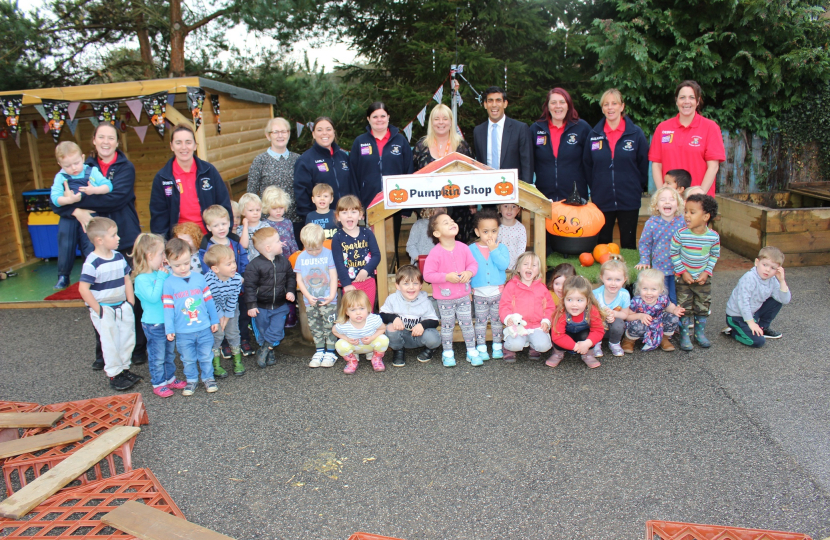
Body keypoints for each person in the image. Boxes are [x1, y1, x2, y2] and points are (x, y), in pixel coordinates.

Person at [50, 123, 144, 369]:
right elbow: (56, 203)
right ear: (93, 141)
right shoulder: (79, 167)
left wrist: (78, 204)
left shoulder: (125, 167)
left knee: (129, 293)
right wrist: (76, 209)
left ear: (116, 141)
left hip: (123, 237)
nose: (105, 141)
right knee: (98, 296)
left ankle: (136, 348)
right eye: (101, 137)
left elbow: (118, 197)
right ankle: (103, 351)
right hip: (94, 241)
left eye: (110, 137)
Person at [583, 89, 649, 249]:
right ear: (602, 108)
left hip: (629, 198)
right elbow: (587, 165)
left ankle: (629, 273)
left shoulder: (636, 134)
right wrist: (597, 188)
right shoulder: (594, 135)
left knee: (628, 243)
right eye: (606, 104)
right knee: (602, 243)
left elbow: (643, 163)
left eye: (614, 103)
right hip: (602, 199)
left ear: (622, 106)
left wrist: (636, 187)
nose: (610, 108)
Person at [77, 217, 138, 391]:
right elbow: (83, 289)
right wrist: (99, 310)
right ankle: (114, 374)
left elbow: (126, 279)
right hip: (105, 309)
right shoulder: (92, 262)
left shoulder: (118, 257)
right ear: (100, 240)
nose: (118, 238)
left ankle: (124, 369)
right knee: (110, 342)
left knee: (126, 338)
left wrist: (130, 301)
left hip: (122, 306)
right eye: (114, 235)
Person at [150, 125, 232, 238]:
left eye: (188, 142)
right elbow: (158, 216)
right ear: (171, 146)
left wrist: (227, 235)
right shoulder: (162, 177)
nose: (184, 147)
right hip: (180, 241)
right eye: (178, 143)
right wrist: (164, 244)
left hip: (211, 237)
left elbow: (224, 204)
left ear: (195, 145)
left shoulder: (209, 171)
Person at [50, 141, 112, 289]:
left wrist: (94, 190)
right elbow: (54, 199)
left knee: (91, 244)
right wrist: (68, 200)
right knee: (66, 243)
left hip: (90, 215)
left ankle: (95, 274)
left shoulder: (92, 172)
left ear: (82, 158)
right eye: (67, 166)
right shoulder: (60, 177)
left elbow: (108, 186)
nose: (73, 168)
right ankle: (63, 275)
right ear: (60, 164)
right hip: (69, 217)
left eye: (76, 163)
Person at [162, 238, 220, 396]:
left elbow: (209, 301)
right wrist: (169, 329)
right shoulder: (168, 283)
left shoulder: (199, 278)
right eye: (177, 265)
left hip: (203, 327)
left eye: (186, 263)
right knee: (187, 358)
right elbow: (167, 308)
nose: (182, 268)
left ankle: (208, 378)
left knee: (206, 355)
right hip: (183, 331)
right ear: (167, 262)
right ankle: (192, 380)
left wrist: (214, 320)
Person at [132, 233, 186, 398]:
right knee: (157, 355)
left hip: (167, 322)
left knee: (169, 353)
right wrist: (163, 277)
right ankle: (158, 382)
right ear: (149, 256)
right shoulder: (142, 279)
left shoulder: (159, 273)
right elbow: (154, 297)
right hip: (154, 324)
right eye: (161, 254)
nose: (164, 257)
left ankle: (170, 378)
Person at [650, 80, 726, 197]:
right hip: (671, 202)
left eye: (691, 97)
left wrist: (700, 195)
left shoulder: (710, 128)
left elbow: (713, 166)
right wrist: (663, 194)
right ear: (676, 100)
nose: (687, 101)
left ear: (698, 101)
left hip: (698, 203)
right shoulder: (663, 128)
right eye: (682, 97)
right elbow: (656, 165)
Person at [423, 212, 480, 367]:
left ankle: (471, 351)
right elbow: (427, 275)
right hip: (444, 298)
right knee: (447, 326)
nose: (451, 223)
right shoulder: (435, 253)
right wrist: (446, 277)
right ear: (437, 233)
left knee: (467, 324)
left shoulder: (463, 248)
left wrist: (469, 273)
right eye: (445, 222)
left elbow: (473, 265)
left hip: (464, 296)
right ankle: (447, 353)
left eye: (452, 220)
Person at [671, 194, 721, 351]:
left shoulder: (713, 237)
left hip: (702, 279)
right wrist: (682, 272)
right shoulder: (681, 234)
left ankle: (699, 334)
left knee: (702, 305)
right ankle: (685, 335)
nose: (686, 215)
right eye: (686, 211)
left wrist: (707, 272)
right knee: (684, 306)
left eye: (692, 212)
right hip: (683, 279)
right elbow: (674, 254)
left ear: (706, 216)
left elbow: (714, 255)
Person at [244, 227, 296, 368]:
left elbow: (291, 277)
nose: (282, 243)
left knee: (277, 329)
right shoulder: (254, 266)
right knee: (263, 330)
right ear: (268, 247)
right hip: (261, 306)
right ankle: (268, 351)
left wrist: (290, 291)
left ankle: (265, 348)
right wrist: (251, 305)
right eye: (278, 241)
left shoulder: (284, 262)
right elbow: (249, 287)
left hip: (280, 305)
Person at [247, 117, 302, 246]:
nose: (280, 135)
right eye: (276, 132)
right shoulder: (260, 161)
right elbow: (251, 193)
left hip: (295, 220)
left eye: (284, 131)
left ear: (288, 134)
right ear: (268, 136)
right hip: (268, 223)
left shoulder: (298, 159)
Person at [530, 87, 591, 202]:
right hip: (544, 198)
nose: (558, 106)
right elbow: (528, 163)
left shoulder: (582, 128)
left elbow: (590, 162)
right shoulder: (535, 129)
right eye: (553, 102)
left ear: (568, 105)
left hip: (575, 198)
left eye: (562, 102)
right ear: (548, 106)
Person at [350, 101, 413, 211]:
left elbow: (409, 172)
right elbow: (353, 175)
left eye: (383, 116)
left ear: (388, 117)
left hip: (396, 200)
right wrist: (356, 202)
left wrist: (407, 208)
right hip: (368, 201)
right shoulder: (359, 142)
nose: (379, 120)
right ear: (368, 119)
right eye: (375, 117)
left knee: (393, 229)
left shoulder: (400, 141)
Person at [723, 246, 791, 347]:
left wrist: (782, 281)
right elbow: (743, 302)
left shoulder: (772, 280)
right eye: (765, 265)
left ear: (777, 270)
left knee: (777, 299)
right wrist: (751, 323)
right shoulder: (749, 278)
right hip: (737, 316)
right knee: (758, 342)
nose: (767, 270)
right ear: (757, 262)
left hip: (753, 312)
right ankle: (733, 332)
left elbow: (784, 300)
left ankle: (762, 328)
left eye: (773, 268)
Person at [294, 224, 339, 368]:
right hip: (310, 300)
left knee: (329, 324)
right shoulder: (301, 257)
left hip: (328, 298)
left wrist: (332, 295)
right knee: (315, 325)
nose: (313, 252)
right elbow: (299, 279)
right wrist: (307, 296)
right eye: (309, 249)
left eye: (317, 248)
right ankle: (319, 350)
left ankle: (331, 352)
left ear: (322, 242)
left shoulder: (328, 254)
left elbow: (333, 276)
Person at [380, 265, 442, 367]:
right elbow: (382, 314)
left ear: (421, 285)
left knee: (433, 337)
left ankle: (430, 348)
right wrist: (394, 318)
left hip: (418, 336)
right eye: (406, 283)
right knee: (390, 327)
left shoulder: (425, 302)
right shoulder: (392, 299)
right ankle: (398, 350)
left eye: (415, 283)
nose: (411, 287)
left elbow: (434, 321)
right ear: (398, 286)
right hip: (401, 336)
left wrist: (422, 325)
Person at [294, 117, 353, 223]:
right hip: (321, 221)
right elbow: (301, 195)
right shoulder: (305, 160)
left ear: (334, 132)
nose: (324, 133)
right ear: (313, 134)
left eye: (328, 129)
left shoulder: (343, 157)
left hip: (347, 218)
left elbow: (353, 186)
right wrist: (310, 219)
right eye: (319, 130)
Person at [468, 209, 509, 361]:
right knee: (480, 321)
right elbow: (467, 270)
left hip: (497, 292)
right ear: (477, 232)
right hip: (478, 293)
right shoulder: (470, 249)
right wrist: (468, 289)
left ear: (499, 231)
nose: (490, 235)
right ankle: (481, 347)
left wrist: (494, 250)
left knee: (497, 321)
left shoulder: (501, 248)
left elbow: (503, 265)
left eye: (494, 231)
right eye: (485, 231)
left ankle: (497, 346)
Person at [499, 251, 554, 362]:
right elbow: (504, 305)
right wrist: (507, 318)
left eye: (534, 265)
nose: (529, 267)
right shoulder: (511, 286)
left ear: (538, 270)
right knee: (515, 344)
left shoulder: (542, 288)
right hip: (517, 327)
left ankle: (533, 345)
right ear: (518, 268)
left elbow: (550, 307)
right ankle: (508, 347)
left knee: (544, 346)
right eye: (525, 264)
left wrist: (546, 321)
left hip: (536, 326)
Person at [635, 186, 686, 304]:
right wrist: (644, 260)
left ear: (677, 205)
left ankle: (675, 320)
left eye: (672, 199)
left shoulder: (682, 222)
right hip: (660, 268)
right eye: (663, 199)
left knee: (675, 297)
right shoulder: (652, 223)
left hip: (678, 268)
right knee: (661, 297)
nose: (667, 202)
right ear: (656, 205)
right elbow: (645, 243)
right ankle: (659, 319)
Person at [473, 86, 533, 182]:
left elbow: (527, 165)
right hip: (487, 188)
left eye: (498, 100)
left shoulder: (520, 129)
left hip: (514, 189)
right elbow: (480, 164)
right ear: (485, 104)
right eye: (490, 101)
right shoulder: (478, 131)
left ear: (505, 104)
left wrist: (526, 192)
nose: (494, 105)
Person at [331, 195, 381, 309]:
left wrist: (366, 271)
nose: (349, 215)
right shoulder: (337, 237)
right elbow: (339, 263)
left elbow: (376, 255)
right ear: (338, 217)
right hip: (350, 285)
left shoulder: (367, 233)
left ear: (360, 215)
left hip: (368, 281)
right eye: (344, 212)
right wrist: (347, 284)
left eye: (353, 212)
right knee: (353, 313)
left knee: (368, 312)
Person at [203, 244, 245, 379]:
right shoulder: (208, 280)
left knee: (233, 332)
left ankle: (237, 360)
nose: (233, 266)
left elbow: (233, 299)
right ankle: (215, 364)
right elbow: (211, 301)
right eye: (228, 264)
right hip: (212, 309)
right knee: (217, 334)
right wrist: (219, 316)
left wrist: (227, 317)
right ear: (215, 268)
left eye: (233, 261)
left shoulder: (237, 279)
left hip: (231, 308)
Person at [547, 275, 606, 369]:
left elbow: (598, 330)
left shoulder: (592, 310)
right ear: (564, 299)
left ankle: (588, 355)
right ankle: (558, 353)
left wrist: (587, 343)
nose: (574, 304)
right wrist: (575, 347)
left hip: (582, 336)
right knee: (557, 337)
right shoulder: (561, 312)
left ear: (587, 300)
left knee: (587, 335)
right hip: (566, 335)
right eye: (569, 299)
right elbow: (557, 335)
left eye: (579, 300)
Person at [622, 269, 685, 353]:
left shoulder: (663, 299)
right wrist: (640, 316)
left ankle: (664, 339)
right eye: (645, 288)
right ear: (639, 288)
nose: (649, 293)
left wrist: (675, 310)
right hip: (640, 326)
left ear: (661, 289)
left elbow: (669, 307)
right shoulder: (636, 301)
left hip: (657, 326)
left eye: (653, 289)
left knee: (673, 318)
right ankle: (629, 341)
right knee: (638, 324)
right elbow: (627, 316)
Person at [332, 290, 389, 374]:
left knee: (383, 339)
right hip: (354, 348)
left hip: (370, 345)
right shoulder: (344, 324)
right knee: (339, 344)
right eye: (353, 310)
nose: (358, 313)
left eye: (362, 308)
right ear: (346, 312)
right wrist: (347, 339)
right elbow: (334, 331)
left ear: (368, 308)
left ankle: (376, 358)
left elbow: (382, 328)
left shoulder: (373, 319)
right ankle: (352, 360)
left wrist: (372, 338)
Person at [413, 104, 473, 171]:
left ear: (451, 122)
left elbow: (471, 173)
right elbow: (412, 174)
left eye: (445, 119)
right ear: (431, 123)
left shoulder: (462, 146)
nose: (441, 122)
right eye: (436, 119)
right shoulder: (421, 146)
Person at [591, 258, 631, 358]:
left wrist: (614, 314)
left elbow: (625, 314)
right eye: (609, 279)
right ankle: (596, 343)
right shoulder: (596, 294)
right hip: (598, 321)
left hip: (614, 321)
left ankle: (614, 343)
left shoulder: (624, 295)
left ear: (624, 279)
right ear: (602, 278)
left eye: (618, 280)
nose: (613, 283)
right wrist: (602, 315)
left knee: (619, 323)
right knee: (595, 321)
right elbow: (590, 313)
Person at [198, 205, 249, 276]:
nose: (221, 228)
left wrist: (243, 275)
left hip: (239, 281)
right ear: (209, 227)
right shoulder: (207, 248)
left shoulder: (235, 242)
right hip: (219, 285)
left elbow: (243, 259)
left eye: (223, 224)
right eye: (216, 226)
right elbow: (207, 268)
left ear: (229, 223)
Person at [262, 186, 299, 257]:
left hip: (289, 256)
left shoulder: (288, 222)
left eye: (281, 208)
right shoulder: (265, 224)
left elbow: (293, 240)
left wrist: (296, 255)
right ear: (267, 207)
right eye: (274, 208)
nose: (278, 211)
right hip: (274, 257)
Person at [236, 193, 269, 261]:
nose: (255, 213)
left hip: (265, 261)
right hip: (248, 263)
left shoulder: (265, 226)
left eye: (258, 210)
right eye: (251, 210)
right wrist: (245, 226)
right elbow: (244, 245)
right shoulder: (240, 229)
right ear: (243, 212)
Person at [496, 203, 526, 270]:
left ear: (518, 210)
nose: (509, 209)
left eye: (514, 206)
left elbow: (521, 250)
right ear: (499, 208)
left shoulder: (520, 228)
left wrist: (517, 266)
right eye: (506, 206)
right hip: (496, 265)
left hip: (513, 267)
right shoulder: (494, 225)